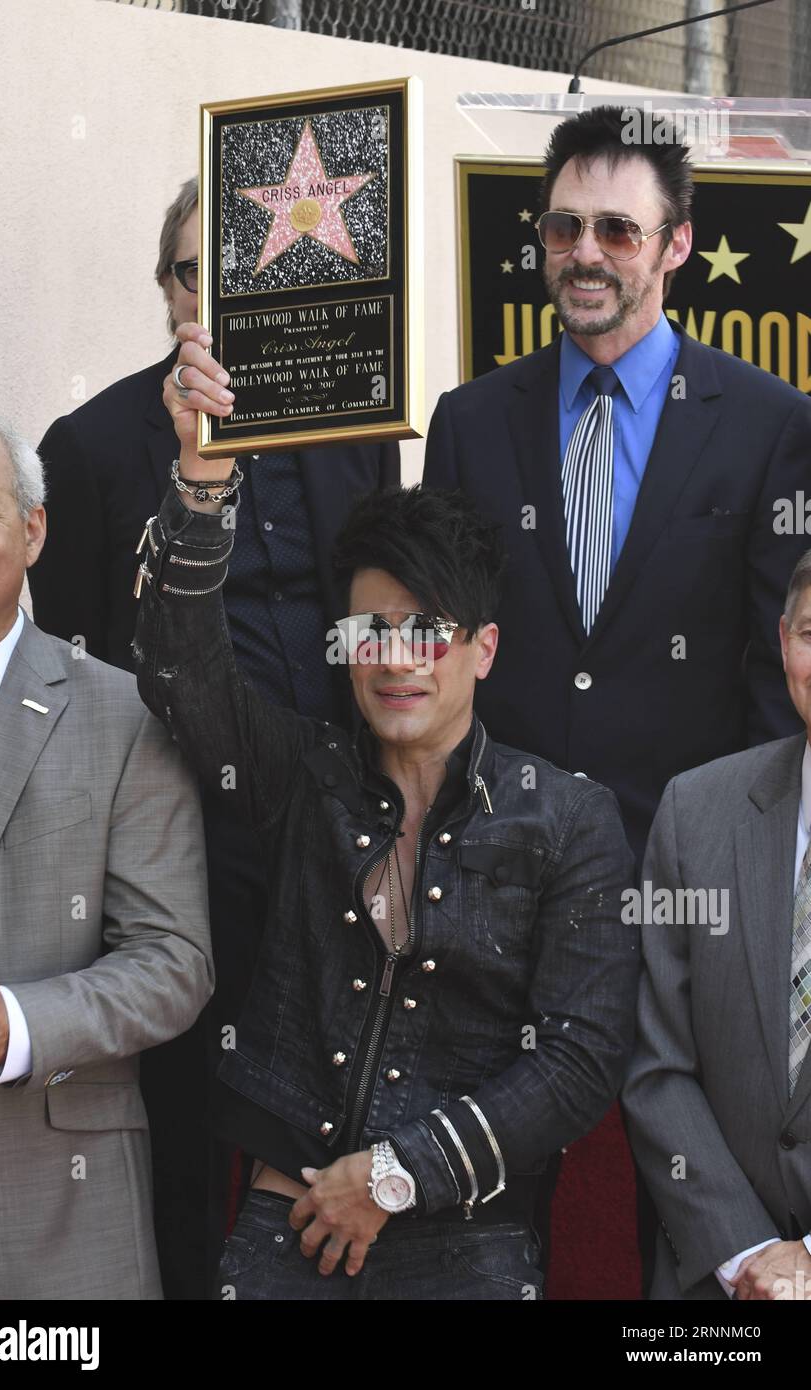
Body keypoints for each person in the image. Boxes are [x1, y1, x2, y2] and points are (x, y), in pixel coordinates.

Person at [128, 320, 639, 1301]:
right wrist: (198, 485)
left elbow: (579, 1058)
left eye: (428, 630)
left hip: (465, 1242)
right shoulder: (300, 773)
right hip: (288, 1225)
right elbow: (178, 675)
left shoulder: (568, 819)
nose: (397, 657)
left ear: (481, 647)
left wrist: (397, 1176)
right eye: (371, 628)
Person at [422, 103, 811, 1298]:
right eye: (560, 227)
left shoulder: (769, 424)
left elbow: (770, 667)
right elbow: (444, 657)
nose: (582, 252)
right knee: (500, 1210)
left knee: (687, 1199)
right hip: (506, 901)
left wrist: (736, 858)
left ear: (675, 245)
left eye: (614, 230)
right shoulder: (468, 421)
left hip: (692, 879)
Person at [29, 176, 400, 1299]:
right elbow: (74, 672)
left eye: (244, 280)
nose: (218, 303)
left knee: (333, 1119)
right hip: (173, 846)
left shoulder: (351, 427)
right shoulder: (88, 448)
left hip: (331, 829)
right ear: (164, 290)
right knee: (187, 1128)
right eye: (197, 275)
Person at [0, 404, 213, 1300]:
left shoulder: (121, 714)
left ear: (33, 531)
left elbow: (176, 962)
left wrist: (15, 1025)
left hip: (55, 1225)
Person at [623, 550, 811, 1301]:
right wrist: (749, 1253)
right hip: (718, 1278)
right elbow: (656, 1062)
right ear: (783, 642)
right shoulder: (696, 811)